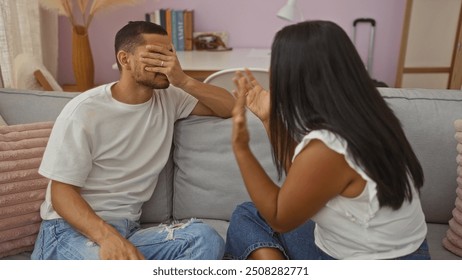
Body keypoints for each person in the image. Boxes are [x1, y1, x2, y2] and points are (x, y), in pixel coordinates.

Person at [225, 20, 430, 260]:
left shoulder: (331, 146)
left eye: (276, 63)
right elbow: (304, 180)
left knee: (248, 217)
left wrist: (241, 148)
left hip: (371, 262)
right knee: (250, 213)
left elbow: (280, 217)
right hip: (399, 253)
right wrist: (271, 120)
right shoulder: (370, 116)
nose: (271, 72)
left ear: (297, 75)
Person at [31, 21, 234, 260]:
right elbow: (61, 193)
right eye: (155, 55)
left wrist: (184, 80)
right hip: (68, 232)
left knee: (205, 238)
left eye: (169, 54)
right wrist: (107, 238)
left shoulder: (170, 98)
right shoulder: (84, 111)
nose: (165, 63)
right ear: (125, 59)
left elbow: (229, 107)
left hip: (128, 231)